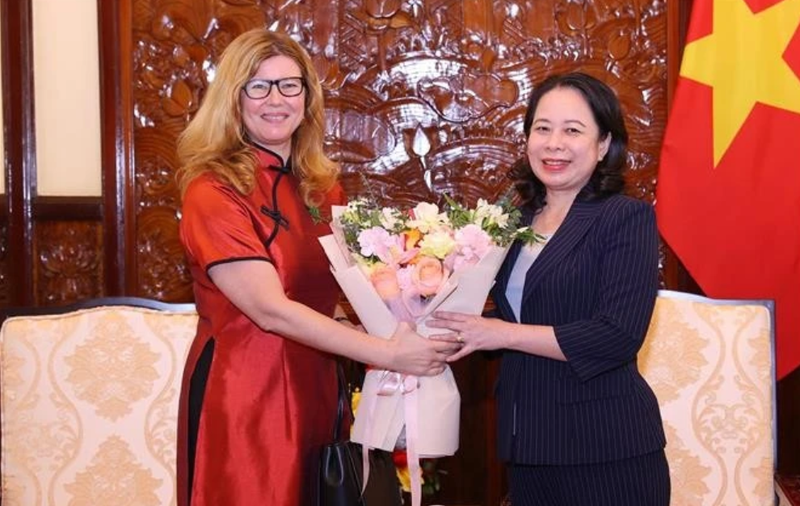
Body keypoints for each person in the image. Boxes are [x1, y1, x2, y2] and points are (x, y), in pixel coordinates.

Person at [174, 28, 461, 506]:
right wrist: (388, 353)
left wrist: (405, 332)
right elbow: (270, 310)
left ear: (307, 98)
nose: (275, 99)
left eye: (290, 85)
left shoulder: (323, 189)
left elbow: (331, 302)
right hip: (247, 394)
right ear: (233, 97)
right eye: (257, 85)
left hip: (319, 388)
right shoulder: (213, 191)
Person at [428, 72, 670, 505]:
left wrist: (501, 333)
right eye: (542, 128)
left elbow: (617, 335)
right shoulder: (514, 222)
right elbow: (517, 314)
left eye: (572, 130)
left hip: (604, 450)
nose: (553, 143)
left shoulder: (625, 218)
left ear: (602, 146)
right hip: (528, 444)